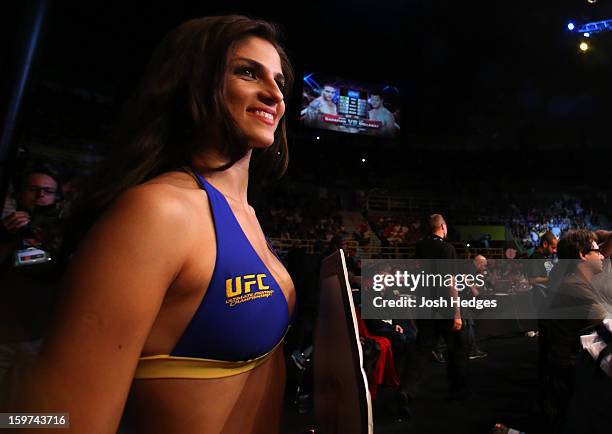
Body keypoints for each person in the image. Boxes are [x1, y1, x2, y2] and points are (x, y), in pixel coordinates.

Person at [12, 15, 295, 434]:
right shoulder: (159, 212)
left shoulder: (244, 213)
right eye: (247, 72)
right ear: (194, 83)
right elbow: (57, 419)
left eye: (279, 81)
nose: (274, 93)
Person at [397, 214, 467, 418]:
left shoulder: (420, 246)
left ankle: (406, 391)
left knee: (420, 351)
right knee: (456, 349)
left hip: (425, 307)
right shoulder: (447, 249)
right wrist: (457, 313)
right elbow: (450, 283)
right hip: (444, 308)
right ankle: (457, 393)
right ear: (443, 227)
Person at [541, 229, 608, 433]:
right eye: (597, 251)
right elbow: (607, 323)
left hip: (565, 365)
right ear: (582, 255)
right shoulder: (574, 287)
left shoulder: (571, 281)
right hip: (572, 370)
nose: (603, 255)